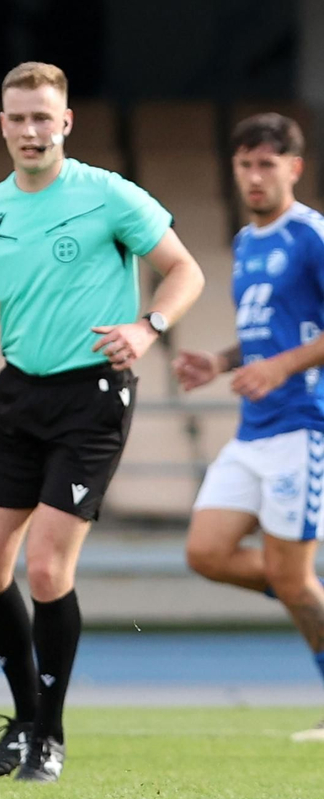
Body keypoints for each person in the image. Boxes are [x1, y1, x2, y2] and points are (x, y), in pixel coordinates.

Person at [0, 62, 205, 782]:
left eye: (43, 118)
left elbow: (185, 270)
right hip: (18, 396)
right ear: (1, 125)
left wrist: (149, 326)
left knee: (45, 567)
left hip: (92, 399)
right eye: (18, 118)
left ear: (65, 123)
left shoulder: (107, 196)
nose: (31, 130)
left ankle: (50, 737)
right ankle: (24, 719)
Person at [175, 113, 324, 743]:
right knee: (205, 553)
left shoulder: (311, 234)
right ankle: (301, 589)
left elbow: (291, 348)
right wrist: (221, 362)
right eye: (245, 164)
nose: (255, 176)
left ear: (294, 167)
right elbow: (269, 331)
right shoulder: (245, 241)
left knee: (293, 580)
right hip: (253, 430)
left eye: (268, 164)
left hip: (301, 427)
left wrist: (280, 368)